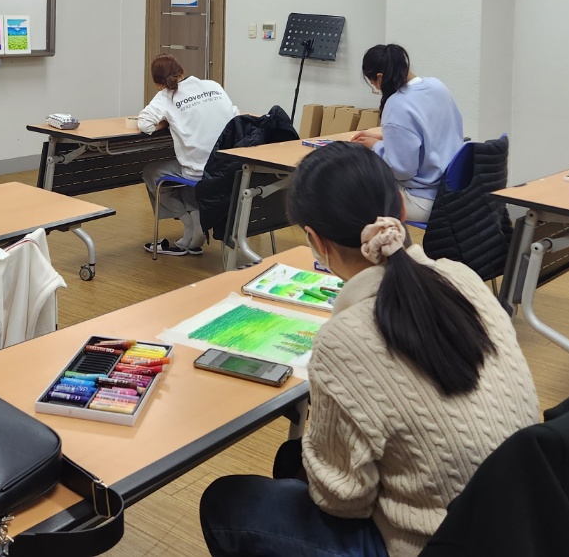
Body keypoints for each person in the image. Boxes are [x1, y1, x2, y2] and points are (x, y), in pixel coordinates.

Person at [200, 142, 539, 557]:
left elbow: (344, 500)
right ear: (401, 205)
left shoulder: (344, 338)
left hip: (436, 543)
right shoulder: (461, 277)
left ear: (315, 241)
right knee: (292, 458)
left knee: (226, 502)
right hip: (522, 521)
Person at [137, 53, 238, 256]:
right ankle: (195, 227)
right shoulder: (213, 86)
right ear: (182, 71)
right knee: (184, 167)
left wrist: (166, 122)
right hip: (228, 167)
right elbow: (235, 117)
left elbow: (144, 124)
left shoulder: (166, 96)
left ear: (158, 84)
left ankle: (190, 224)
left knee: (152, 172)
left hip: (198, 171)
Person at [352, 44, 463, 224]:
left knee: (353, 193)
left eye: (374, 85)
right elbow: (431, 132)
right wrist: (386, 139)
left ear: (380, 78)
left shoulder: (397, 105)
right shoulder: (437, 85)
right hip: (454, 192)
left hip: (424, 200)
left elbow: (402, 171)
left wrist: (376, 146)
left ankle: (381, 241)